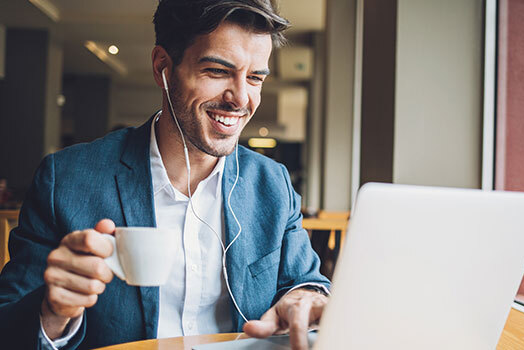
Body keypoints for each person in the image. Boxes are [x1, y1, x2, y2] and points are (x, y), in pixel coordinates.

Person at [0, 1, 330, 349]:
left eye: (254, 77)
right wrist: (53, 313)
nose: (241, 98)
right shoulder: (65, 180)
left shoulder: (272, 183)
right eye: (217, 72)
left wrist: (304, 296)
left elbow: (304, 281)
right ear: (163, 67)